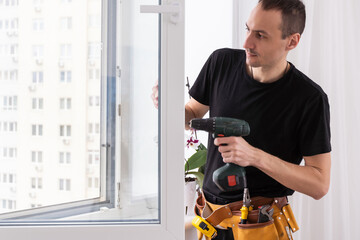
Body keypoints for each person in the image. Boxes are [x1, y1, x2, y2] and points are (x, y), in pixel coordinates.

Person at [152, 0, 331, 239]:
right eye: (247, 29)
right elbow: (192, 115)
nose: (247, 43)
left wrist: (254, 156)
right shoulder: (221, 63)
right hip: (211, 223)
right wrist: (167, 106)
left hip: (260, 227)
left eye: (261, 35)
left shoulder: (309, 98)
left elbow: (319, 184)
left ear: (292, 41)